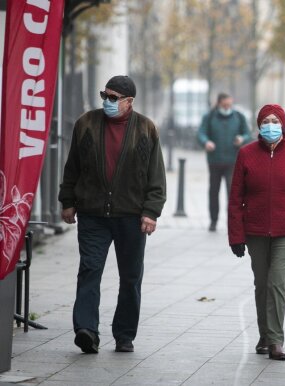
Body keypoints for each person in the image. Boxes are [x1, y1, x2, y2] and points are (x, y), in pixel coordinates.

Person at [58, 75, 166, 354]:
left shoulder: (145, 129)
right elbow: (73, 167)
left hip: (131, 215)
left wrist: (151, 212)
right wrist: (67, 200)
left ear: (129, 102)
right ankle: (86, 330)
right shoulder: (86, 124)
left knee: (130, 277)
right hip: (93, 213)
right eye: (104, 95)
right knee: (90, 270)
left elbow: (156, 176)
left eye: (113, 97)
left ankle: (124, 335)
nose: (107, 101)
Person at [228, 104, 285, 361]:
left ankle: (276, 340)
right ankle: (264, 335)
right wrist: (236, 236)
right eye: (266, 120)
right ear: (259, 125)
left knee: (276, 281)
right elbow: (235, 197)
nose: (271, 125)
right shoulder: (246, 154)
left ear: (283, 124)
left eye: (275, 120)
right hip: (254, 229)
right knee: (262, 284)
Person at [197, 93, 252, 232]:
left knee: (232, 193)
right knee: (213, 192)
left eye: (229, 105)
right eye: (225, 105)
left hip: (233, 161)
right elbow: (201, 133)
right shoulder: (209, 117)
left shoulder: (239, 117)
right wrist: (206, 142)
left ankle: (233, 222)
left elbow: (248, 134)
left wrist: (242, 138)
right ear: (219, 103)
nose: (227, 107)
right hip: (214, 161)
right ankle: (213, 221)